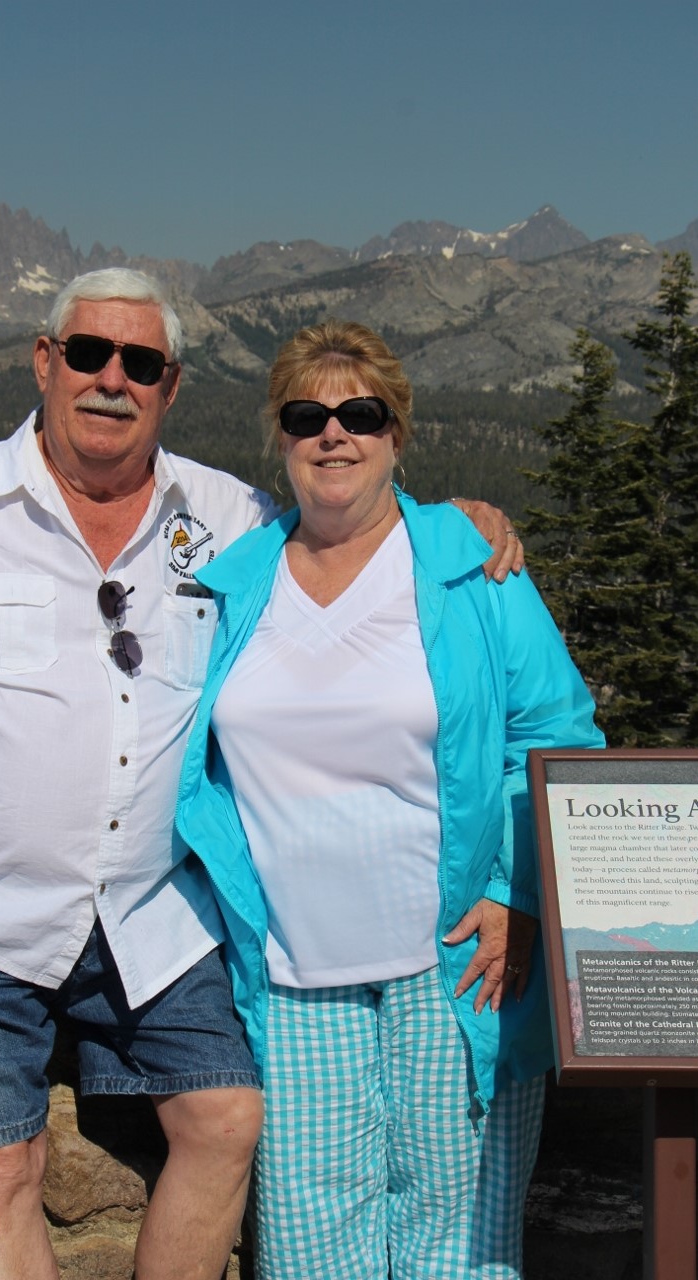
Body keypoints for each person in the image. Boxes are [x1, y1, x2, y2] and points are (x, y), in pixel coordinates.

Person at [0, 268, 523, 1280]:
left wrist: (454, 520)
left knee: (225, 1115)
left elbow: (348, 514)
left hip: (150, 912)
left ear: (172, 384)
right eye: (87, 354)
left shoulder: (233, 516)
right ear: (44, 362)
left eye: (141, 363)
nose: (111, 379)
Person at [176, 319, 605, 1279]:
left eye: (360, 414)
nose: (335, 434)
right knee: (305, 1251)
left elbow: (558, 738)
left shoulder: (471, 569)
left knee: (458, 1248)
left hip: (452, 971)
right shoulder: (230, 587)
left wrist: (515, 891)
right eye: (307, 415)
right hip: (288, 979)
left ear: (396, 434)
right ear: (279, 438)